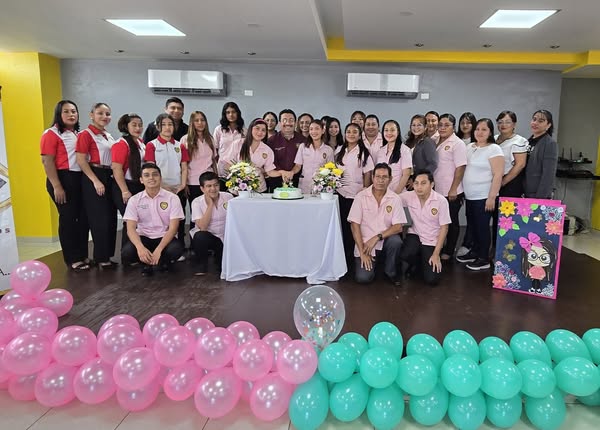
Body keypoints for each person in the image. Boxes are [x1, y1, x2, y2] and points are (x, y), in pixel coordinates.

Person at [40, 100, 90, 271]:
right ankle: (73, 259)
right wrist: (57, 186)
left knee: (82, 219)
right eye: (66, 111)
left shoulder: (78, 133)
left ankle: (83, 255)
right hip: (62, 179)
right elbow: (47, 161)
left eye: (74, 111)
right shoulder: (51, 133)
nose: (71, 115)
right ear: (59, 114)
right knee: (68, 219)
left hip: (79, 178)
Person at [457, 119, 504, 271]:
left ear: (490, 132)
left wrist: (492, 197)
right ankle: (475, 252)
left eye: (484, 129)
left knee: (482, 228)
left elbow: (498, 175)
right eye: (477, 129)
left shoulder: (494, 149)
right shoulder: (470, 146)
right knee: (473, 226)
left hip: (484, 196)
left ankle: (483, 258)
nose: (480, 132)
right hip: (470, 196)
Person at [121, 163, 184, 276]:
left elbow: (173, 229)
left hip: (164, 236)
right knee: (127, 252)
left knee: (176, 249)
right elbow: (130, 229)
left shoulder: (172, 198)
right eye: (146, 175)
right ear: (141, 180)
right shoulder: (134, 200)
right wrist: (140, 248)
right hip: (144, 236)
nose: (151, 178)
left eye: (155, 174)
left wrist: (159, 249)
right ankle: (146, 263)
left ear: (160, 178)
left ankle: (162, 261)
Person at [76, 102, 118, 269]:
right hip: (94, 175)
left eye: (107, 114)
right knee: (99, 218)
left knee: (110, 217)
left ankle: (106, 255)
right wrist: (95, 180)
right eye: (100, 113)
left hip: (109, 175)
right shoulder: (85, 134)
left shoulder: (108, 135)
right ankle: (101, 257)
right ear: (91, 115)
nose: (104, 117)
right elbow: (81, 160)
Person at [348, 163, 405, 285]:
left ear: (390, 179)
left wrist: (377, 237)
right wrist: (362, 252)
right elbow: (354, 225)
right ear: (372, 177)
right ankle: (373, 263)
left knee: (396, 241)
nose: (381, 180)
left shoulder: (395, 198)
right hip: (365, 244)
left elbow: (398, 227)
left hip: (384, 241)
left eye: (385, 177)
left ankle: (390, 272)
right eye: (378, 176)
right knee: (363, 278)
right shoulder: (361, 197)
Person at [144, 113, 189, 254]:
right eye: (164, 125)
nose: (168, 127)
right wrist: (162, 186)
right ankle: (160, 248)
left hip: (177, 189)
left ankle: (179, 247)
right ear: (158, 127)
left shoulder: (180, 145)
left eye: (170, 124)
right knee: (162, 219)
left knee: (179, 219)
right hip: (159, 189)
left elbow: (184, 167)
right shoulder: (152, 145)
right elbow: (150, 168)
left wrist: (182, 185)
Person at [399, 170, 450, 286]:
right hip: (415, 235)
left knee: (432, 280)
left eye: (423, 183)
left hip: (432, 240)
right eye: (416, 183)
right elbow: (392, 198)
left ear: (432, 184)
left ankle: (425, 262)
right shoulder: (409, 196)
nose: (419, 187)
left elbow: (444, 228)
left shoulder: (441, 201)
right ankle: (417, 264)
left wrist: (436, 254)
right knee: (405, 254)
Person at [335, 123, 374, 271]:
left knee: (354, 226)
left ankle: (353, 259)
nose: (351, 134)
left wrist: (364, 190)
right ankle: (342, 258)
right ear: (345, 134)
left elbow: (368, 174)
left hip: (356, 196)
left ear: (359, 135)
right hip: (340, 193)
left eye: (354, 132)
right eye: (348, 132)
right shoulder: (339, 150)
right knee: (342, 227)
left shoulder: (364, 152)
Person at [433, 113, 467, 260]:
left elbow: (461, 167)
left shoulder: (457, 143)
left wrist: (453, 188)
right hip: (437, 189)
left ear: (453, 127)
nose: (442, 127)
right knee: (438, 221)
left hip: (452, 191)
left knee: (451, 221)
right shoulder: (435, 140)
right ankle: (439, 246)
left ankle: (449, 250)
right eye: (440, 125)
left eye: (446, 125)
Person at [111, 113, 146, 247]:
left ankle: (137, 250)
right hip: (125, 186)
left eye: (140, 125)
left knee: (139, 220)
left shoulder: (141, 143)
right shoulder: (121, 144)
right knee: (130, 220)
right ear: (126, 126)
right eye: (134, 125)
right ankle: (127, 252)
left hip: (138, 185)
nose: (138, 128)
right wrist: (124, 191)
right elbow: (117, 168)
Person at [190, 171, 234, 275]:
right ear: (202, 188)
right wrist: (210, 205)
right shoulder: (197, 202)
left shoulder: (228, 197)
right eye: (209, 186)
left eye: (216, 185)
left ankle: (220, 257)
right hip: (211, 237)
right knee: (200, 236)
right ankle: (202, 264)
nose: (213, 189)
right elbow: (203, 227)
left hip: (227, 237)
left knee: (223, 267)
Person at [180, 111, 217, 217]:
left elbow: (213, 161)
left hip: (209, 181)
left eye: (202, 120)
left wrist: (216, 178)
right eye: (196, 120)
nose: (200, 123)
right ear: (192, 123)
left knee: (211, 211)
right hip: (193, 182)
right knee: (196, 213)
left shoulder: (210, 139)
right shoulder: (185, 139)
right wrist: (184, 183)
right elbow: (183, 165)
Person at [292, 119, 334, 194]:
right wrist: (291, 173)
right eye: (311, 129)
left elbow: (330, 170)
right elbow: (298, 166)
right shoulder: (303, 147)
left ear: (323, 131)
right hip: (304, 185)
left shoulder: (328, 150)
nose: (314, 131)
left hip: (321, 187)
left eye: (317, 128)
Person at [267, 109, 304, 190]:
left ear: (295, 123)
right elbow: (270, 162)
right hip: (276, 180)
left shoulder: (302, 140)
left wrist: (292, 172)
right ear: (279, 123)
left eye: (291, 120)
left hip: (297, 180)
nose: (288, 123)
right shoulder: (271, 141)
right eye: (284, 120)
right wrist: (282, 172)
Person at [524, 110, 558, 199]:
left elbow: (548, 174)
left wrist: (540, 198)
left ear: (548, 125)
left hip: (537, 193)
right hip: (523, 191)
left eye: (541, 121)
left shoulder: (550, 143)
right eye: (534, 119)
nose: (535, 123)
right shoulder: (527, 141)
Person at [237, 118, 278, 193]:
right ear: (251, 129)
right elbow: (228, 163)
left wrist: (282, 173)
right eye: (257, 128)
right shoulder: (238, 144)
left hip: (259, 189)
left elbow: (269, 171)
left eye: (263, 130)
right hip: (238, 188)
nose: (260, 132)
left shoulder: (267, 150)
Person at [375, 120, 412, 194]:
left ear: (398, 132)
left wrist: (396, 194)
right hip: (382, 193)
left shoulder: (405, 150)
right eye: (386, 130)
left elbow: (406, 174)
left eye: (392, 130)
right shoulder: (381, 150)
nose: (389, 133)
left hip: (399, 193)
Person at [214, 102, 246, 184]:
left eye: (233, 112)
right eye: (228, 112)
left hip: (239, 170)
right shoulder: (219, 130)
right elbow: (215, 149)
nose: (231, 115)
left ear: (238, 113)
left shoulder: (244, 131)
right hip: (223, 169)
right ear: (224, 114)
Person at [404, 114, 438, 186]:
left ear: (425, 127)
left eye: (419, 125)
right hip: (408, 179)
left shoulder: (428, 142)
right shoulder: (409, 142)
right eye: (413, 125)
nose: (416, 127)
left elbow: (433, 164)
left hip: (421, 182)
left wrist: (417, 179)